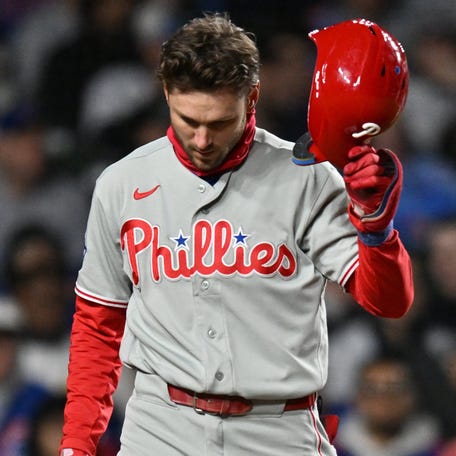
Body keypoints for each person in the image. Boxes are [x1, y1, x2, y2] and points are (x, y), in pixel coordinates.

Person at [60, 13, 413, 456]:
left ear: (253, 97)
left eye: (220, 122)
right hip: (161, 427)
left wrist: (378, 232)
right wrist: (77, 443)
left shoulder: (308, 179)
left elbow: (388, 302)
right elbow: (98, 324)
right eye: (188, 119)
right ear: (167, 93)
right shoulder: (122, 183)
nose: (203, 139)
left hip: (277, 428)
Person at [334, 353, 442, 456]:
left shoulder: (437, 450)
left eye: (395, 388)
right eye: (371, 389)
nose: (383, 398)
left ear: (412, 397)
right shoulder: (332, 449)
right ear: (358, 398)